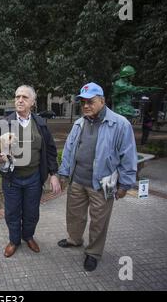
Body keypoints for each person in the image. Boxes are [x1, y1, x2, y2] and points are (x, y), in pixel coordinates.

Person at [57, 82, 137, 271]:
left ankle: (93, 252)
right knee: (74, 215)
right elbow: (68, 150)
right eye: (82, 102)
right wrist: (64, 172)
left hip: (102, 184)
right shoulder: (79, 123)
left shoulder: (120, 124)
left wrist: (125, 184)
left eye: (90, 102)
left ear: (102, 101)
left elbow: (128, 155)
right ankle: (75, 239)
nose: (85, 106)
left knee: (99, 220)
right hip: (77, 180)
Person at [0, 85, 61, 258]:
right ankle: (14, 241)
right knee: (12, 212)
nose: (20, 100)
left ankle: (28, 236)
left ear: (33, 102)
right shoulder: (4, 123)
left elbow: (50, 150)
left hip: (34, 177)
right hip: (12, 178)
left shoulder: (40, 124)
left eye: (25, 97)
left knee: (32, 212)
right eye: (17, 96)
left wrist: (53, 174)